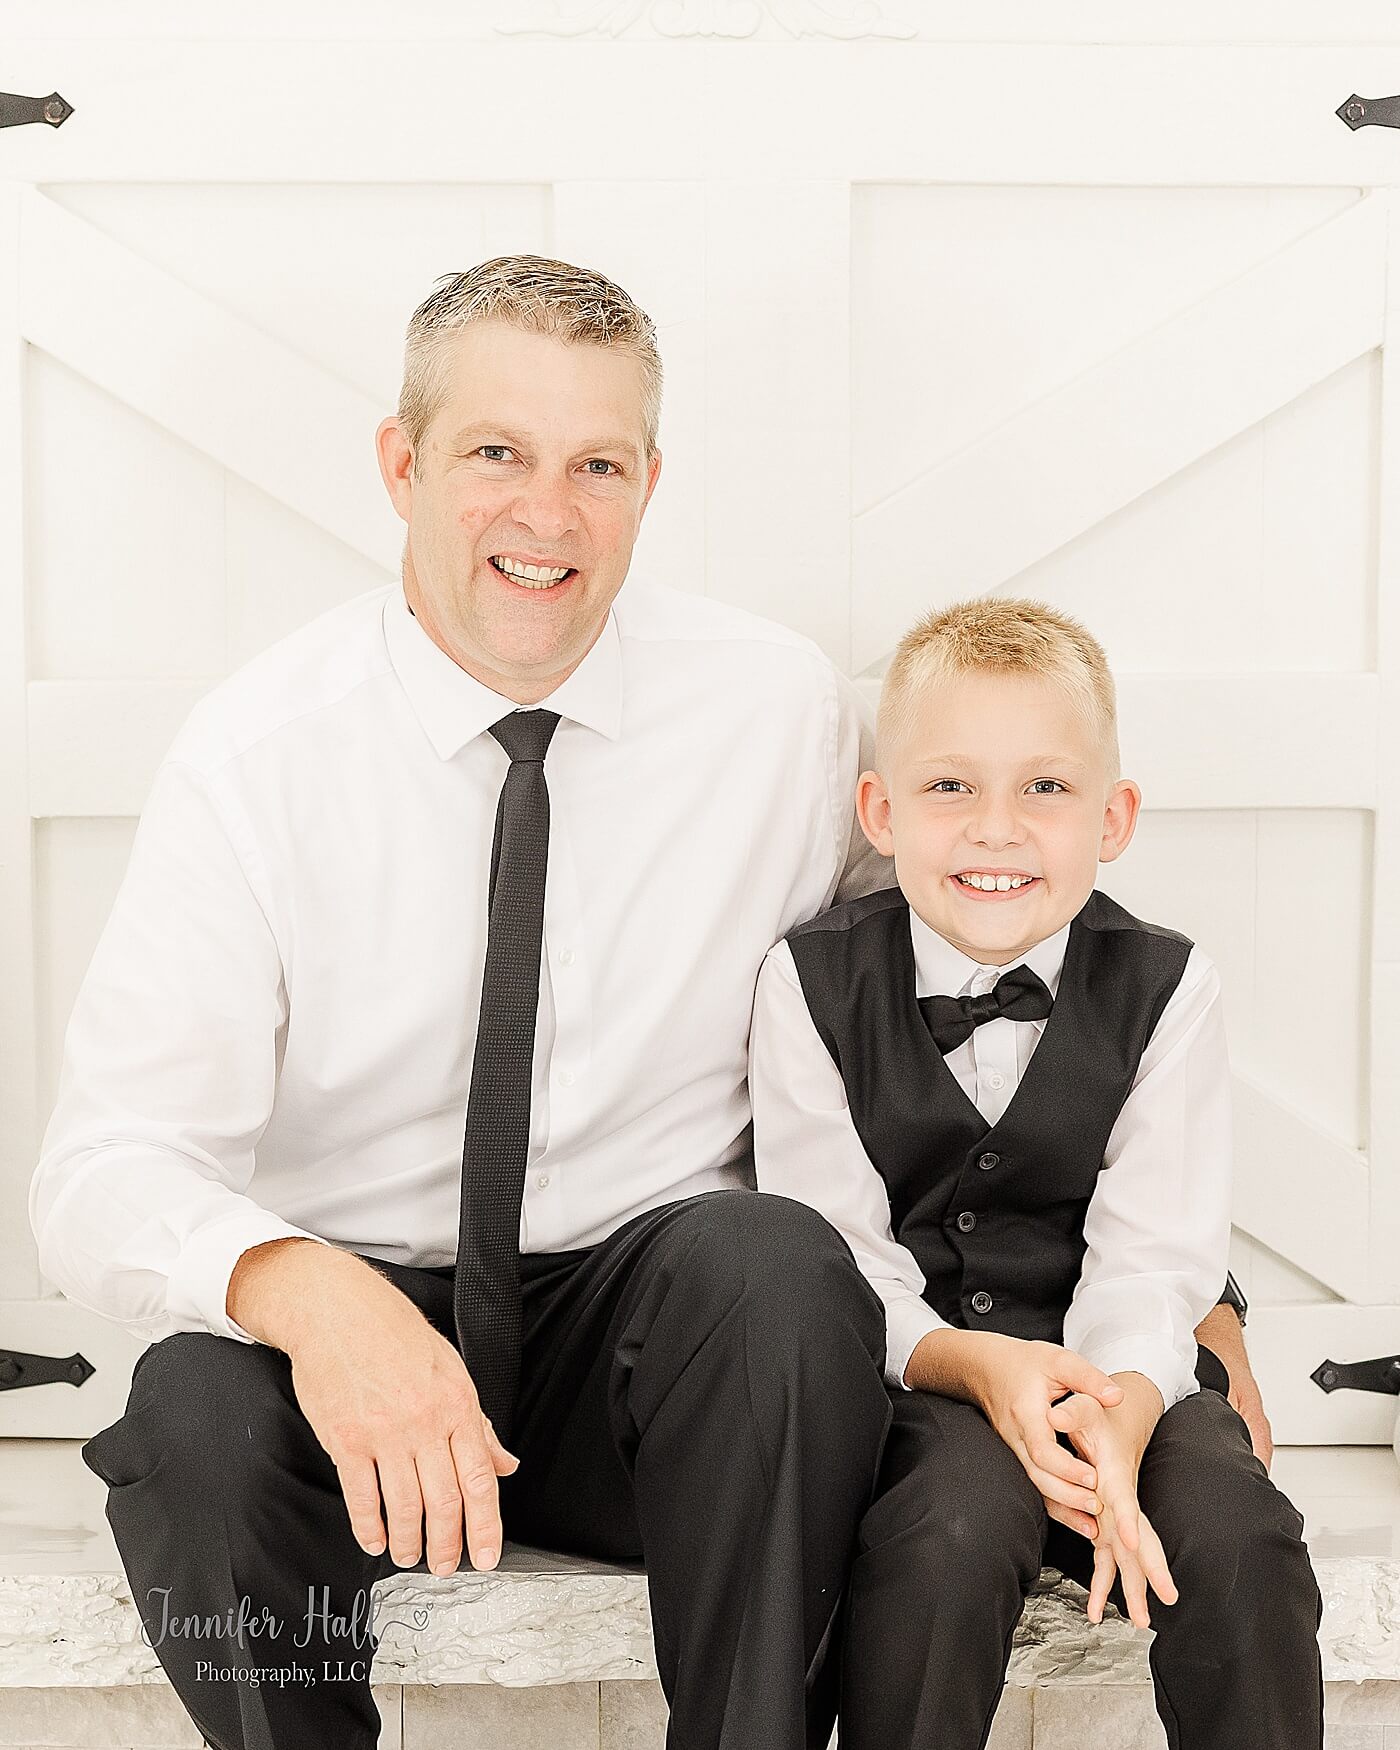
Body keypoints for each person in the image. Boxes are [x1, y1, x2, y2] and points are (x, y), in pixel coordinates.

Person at [29, 254, 1271, 1750]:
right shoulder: (254, 758)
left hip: (668, 1361)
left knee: (769, 1257)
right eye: (497, 451)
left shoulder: (774, 708)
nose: (546, 514)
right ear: (400, 462)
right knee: (188, 1420)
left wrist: (1206, 1300)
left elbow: (1001, 929)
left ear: (649, 481)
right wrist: (305, 1292)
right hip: (362, 1348)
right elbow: (99, 1170)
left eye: (596, 464)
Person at [748, 594, 1324, 1750]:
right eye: (949, 786)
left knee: (1236, 1533)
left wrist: (1118, 1418)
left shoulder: (1167, 986)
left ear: (1111, 816)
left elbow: (1153, 1255)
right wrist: (974, 1368)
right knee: (940, 1544)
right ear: (881, 810)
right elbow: (839, 1258)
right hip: (933, 1385)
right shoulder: (805, 986)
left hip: (1133, 1373)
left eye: (1044, 788)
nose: (995, 830)